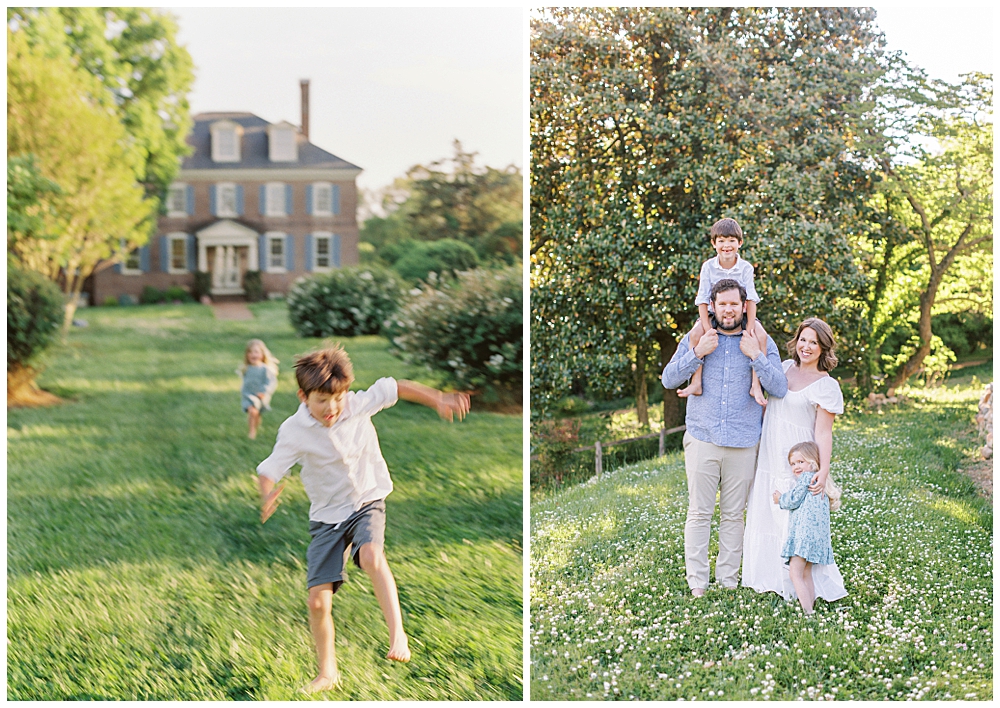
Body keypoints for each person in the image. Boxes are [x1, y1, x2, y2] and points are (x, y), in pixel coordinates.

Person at [256, 345, 470, 693]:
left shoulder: (356, 404)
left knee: (370, 555)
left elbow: (396, 387)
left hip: (367, 497)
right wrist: (267, 494)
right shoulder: (294, 430)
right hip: (327, 516)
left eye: (336, 399)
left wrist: (438, 399)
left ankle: (398, 632)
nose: (332, 408)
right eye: (322, 400)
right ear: (303, 396)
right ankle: (328, 673)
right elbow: (270, 468)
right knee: (317, 601)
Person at [661, 278, 788, 596]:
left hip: (744, 441)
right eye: (722, 304)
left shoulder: (758, 337)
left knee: (733, 516)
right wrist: (697, 354)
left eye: (734, 303)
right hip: (703, 437)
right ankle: (698, 584)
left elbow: (780, 387)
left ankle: (728, 581)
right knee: (699, 513)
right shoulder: (698, 335)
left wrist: (756, 355)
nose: (728, 309)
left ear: (744, 306)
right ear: (713, 306)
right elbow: (668, 379)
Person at [742, 317, 848, 603]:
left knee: (794, 520)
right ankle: (766, 577)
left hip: (799, 461)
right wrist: (742, 306)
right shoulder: (785, 368)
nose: (807, 346)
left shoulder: (827, 386)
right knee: (767, 509)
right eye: (803, 339)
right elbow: (756, 328)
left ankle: (797, 584)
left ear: (824, 348)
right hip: (770, 452)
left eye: (814, 342)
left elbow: (823, 433)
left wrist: (823, 472)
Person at [678, 218, 770, 407]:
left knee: (760, 336)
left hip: (742, 313)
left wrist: (750, 328)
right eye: (721, 241)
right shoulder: (708, 267)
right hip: (713, 314)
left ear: (740, 243)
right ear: (714, 243)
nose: (726, 245)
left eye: (731, 241)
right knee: (695, 334)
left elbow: (751, 299)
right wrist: (706, 328)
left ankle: (756, 384)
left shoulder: (745, 267)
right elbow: (702, 300)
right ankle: (696, 382)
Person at [772, 441, 843, 615]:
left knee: (795, 574)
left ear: (812, 462)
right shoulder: (820, 484)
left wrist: (779, 499)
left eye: (800, 462)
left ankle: (807, 612)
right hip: (816, 538)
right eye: (793, 463)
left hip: (803, 537)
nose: (796, 466)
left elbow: (793, 499)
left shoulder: (806, 479)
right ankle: (810, 608)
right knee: (806, 574)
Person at [240, 339, 279, 440]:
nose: (253, 354)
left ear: (262, 354)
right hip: (248, 395)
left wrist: (264, 392)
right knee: (252, 411)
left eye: (256, 352)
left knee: (256, 414)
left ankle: (255, 429)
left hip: (261, 395)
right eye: (250, 352)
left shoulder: (265, 369)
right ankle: (252, 432)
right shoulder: (246, 368)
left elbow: (271, 382)